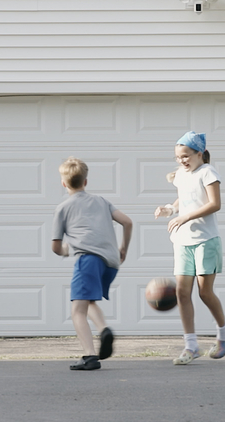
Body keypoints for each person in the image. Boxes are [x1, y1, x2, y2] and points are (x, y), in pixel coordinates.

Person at [154, 131, 225, 365]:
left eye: (186, 156)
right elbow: (184, 198)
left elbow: (214, 204)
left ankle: (223, 333)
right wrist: (170, 209)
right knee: (181, 292)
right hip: (182, 241)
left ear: (199, 154)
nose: (182, 161)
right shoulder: (181, 175)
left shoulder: (208, 172)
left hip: (205, 241)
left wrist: (185, 217)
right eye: (178, 157)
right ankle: (191, 346)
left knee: (204, 292)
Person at [51, 157, 132, 371]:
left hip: (88, 260)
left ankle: (90, 355)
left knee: (77, 309)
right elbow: (127, 222)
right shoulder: (102, 201)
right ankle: (103, 331)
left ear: (63, 183)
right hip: (111, 262)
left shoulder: (63, 207)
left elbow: (56, 247)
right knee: (88, 302)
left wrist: (68, 250)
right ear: (85, 182)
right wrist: (123, 249)